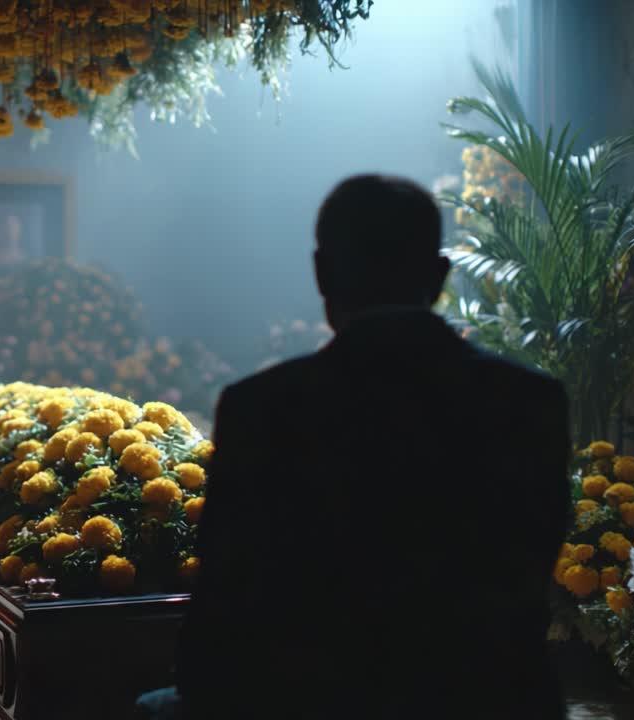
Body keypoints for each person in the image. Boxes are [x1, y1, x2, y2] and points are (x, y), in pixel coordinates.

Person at [138, 174, 570, 719]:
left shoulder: (264, 408)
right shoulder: (530, 400)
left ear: (322, 273)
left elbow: (223, 608)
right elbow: (525, 582)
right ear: (440, 276)